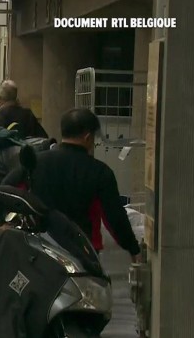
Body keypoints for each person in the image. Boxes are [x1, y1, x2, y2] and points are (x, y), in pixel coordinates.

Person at [29, 108, 140, 260]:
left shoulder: (36, 163)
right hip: (84, 251)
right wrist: (133, 248)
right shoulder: (100, 172)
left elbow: (10, 189)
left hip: (42, 247)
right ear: (88, 137)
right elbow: (114, 218)